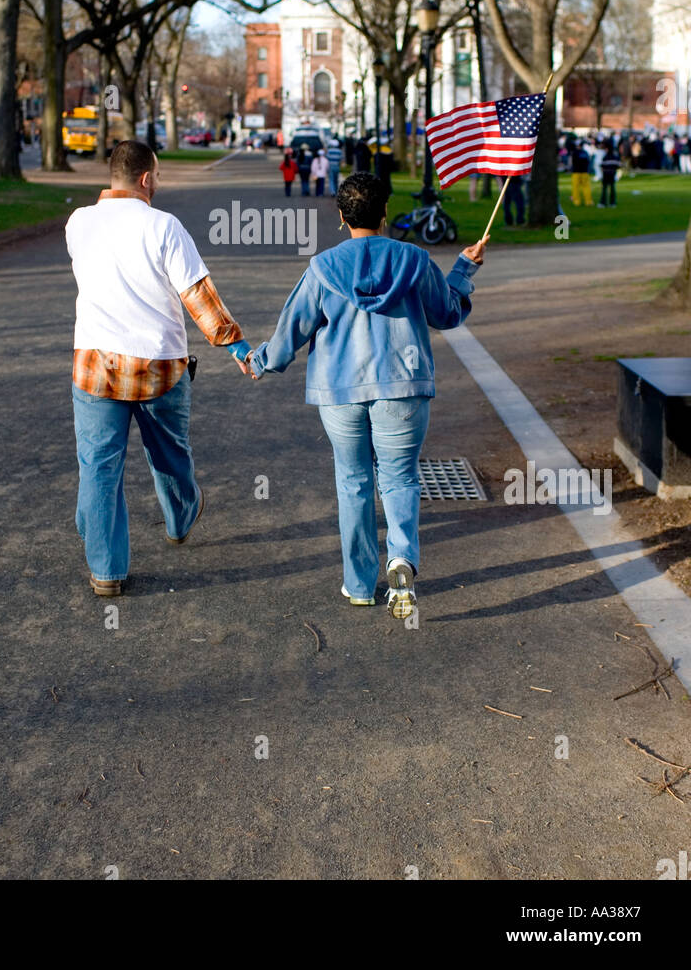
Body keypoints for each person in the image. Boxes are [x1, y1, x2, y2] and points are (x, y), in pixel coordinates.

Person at [236, 173, 487, 618]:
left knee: (353, 483)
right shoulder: (414, 260)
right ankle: (401, 559)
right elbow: (446, 313)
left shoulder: (323, 268)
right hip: (402, 386)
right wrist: (463, 270)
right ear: (385, 212)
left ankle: (358, 584)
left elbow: (291, 330)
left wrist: (259, 361)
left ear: (340, 216)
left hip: (340, 390)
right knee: (401, 478)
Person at [65, 140, 251, 597]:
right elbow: (197, 295)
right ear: (147, 179)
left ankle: (106, 569)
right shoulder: (163, 226)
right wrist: (236, 346)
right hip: (158, 367)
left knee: (98, 467)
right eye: (159, 176)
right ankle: (181, 516)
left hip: (96, 364)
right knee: (168, 454)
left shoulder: (78, 223)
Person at [570, 140, 594, 206]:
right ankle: (588, 201)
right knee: (586, 187)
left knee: (576, 187)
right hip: (585, 172)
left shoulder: (575, 153)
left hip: (576, 172)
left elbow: (573, 162)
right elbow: (588, 161)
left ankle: (577, 201)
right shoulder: (585, 152)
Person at [599, 140, 621, 207]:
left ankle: (603, 203)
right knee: (612, 189)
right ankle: (613, 203)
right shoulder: (615, 157)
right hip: (612, 174)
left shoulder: (605, 157)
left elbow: (602, 167)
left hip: (606, 174)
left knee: (604, 189)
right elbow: (618, 166)